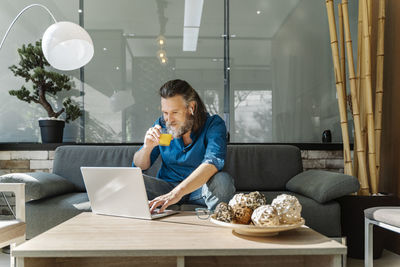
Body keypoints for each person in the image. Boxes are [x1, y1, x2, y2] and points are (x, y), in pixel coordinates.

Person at [133, 79, 235, 213]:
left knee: (223, 181)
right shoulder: (163, 125)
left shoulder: (213, 125)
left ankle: (216, 224)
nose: (169, 119)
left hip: (199, 189)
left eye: (175, 112)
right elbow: (140, 166)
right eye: (165, 112)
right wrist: (147, 148)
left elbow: (213, 162)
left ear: (191, 108)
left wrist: (176, 193)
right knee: (131, 181)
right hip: (166, 188)